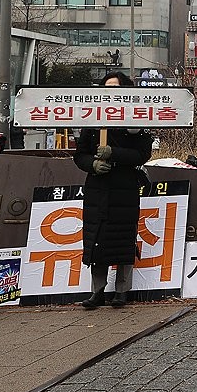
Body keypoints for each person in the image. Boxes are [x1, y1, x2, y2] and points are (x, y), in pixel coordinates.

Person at [73, 71, 153, 309]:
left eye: (115, 88)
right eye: (106, 88)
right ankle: (96, 292)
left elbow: (143, 154)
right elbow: (80, 155)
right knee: (96, 239)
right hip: (98, 187)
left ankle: (121, 291)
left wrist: (114, 154)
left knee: (123, 239)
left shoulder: (137, 119)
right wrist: (93, 164)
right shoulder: (93, 120)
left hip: (125, 187)